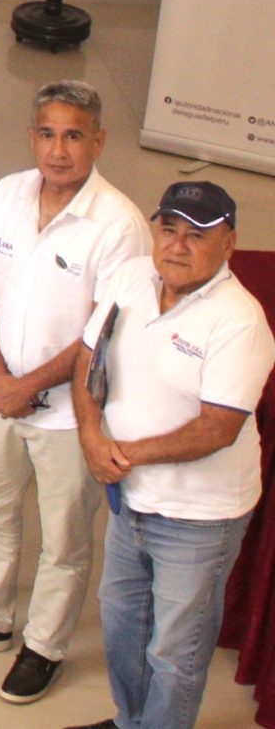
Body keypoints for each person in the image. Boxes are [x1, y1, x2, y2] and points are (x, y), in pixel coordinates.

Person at [0, 80, 147, 703]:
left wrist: (27, 387)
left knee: (65, 537)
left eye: (74, 136)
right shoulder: (11, 193)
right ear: (31, 136)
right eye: (47, 134)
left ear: (98, 141)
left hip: (71, 413)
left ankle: (44, 646)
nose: (59, 150)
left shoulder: (119, 225)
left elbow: (101, 331)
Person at [75, 181, 271, 729]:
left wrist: (123, 453)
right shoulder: (133, 276)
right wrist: (91, 434)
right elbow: (90, 357)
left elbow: (217, 428)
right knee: (122, 626)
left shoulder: (239, 320)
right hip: (129, 499)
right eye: (169, 229)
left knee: (174, 655)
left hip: (199, 518)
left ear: (229, 244)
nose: (177, 245)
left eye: (197, 235)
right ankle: (130, 720)